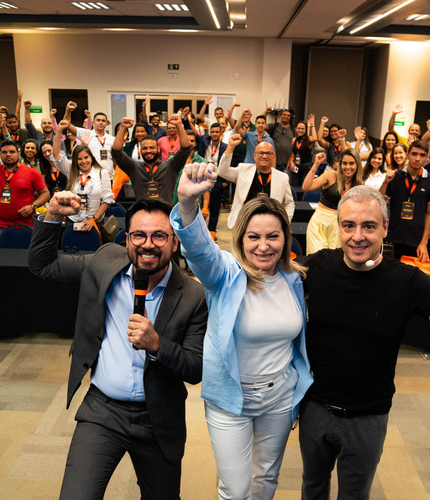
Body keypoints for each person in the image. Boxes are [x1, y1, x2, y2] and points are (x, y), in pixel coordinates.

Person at [299, 185, 430, 499]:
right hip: (314, 409)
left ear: (385, 227)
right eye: (349, 225)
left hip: (368, 416)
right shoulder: (315, 267)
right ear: (338, 227)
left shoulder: (408, 281)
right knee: (312, 489)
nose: (357, 236)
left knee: (354, 495)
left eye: (369, 226)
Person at [28, 196, 207, 499]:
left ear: (175, 243)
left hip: (158, 417)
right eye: (139, 235)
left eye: (159, 236)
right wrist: (53, 215)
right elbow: (42, 266)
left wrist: (157, 345)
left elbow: (195, 368)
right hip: (103, 410)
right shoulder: (104, 262)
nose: (147, 244)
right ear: (127, 240)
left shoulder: (193, 295)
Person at [173, 161, 312, 499]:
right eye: (254, 237)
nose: (264, 246)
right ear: (241, 238)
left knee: (265, 481)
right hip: (231, 399)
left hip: (279, 397)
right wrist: (188, 205)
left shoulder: (294, 280)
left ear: (285, 238)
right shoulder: (225, 274)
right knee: (236, 490)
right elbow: (201, 253)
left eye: (273, 236)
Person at [217, 134, 295, 229]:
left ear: (273, 156)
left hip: (270, 225)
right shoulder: (243, 170)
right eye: (261, 153)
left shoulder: (282, 177)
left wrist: (284, 221)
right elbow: (222, 172)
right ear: (255, 156)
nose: (264, 156)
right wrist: (230, 147)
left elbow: (289, 203)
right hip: (244, 223)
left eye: (268, 153)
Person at [111, 116, 193, 204]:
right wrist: (123, 127)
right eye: (145, 148)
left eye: (152, 148)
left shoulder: (170, 166)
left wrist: (179, 125)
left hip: (165, 212)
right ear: (141, 150)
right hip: (142, 212)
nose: (148, 151)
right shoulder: (134, 168)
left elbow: (185, 149)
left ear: (158, 149)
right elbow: (116, 152)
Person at [379, 139, 430, 260]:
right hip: (393, 237)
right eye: (414, 154)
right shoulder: (395, 176)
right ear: (407, 155)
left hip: (416, 240)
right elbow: (380, 201)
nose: (417, 158)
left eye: (422, 155)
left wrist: (424, 242)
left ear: (426, 158)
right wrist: (385, 182)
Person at [303, 150, 366, 253]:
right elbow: (306, 186)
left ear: (357, 165)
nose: (348, 167)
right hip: (320, 224)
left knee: (335, 259)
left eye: (351, 163)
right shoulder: (331, 175)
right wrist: (316, 164)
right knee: (317, 257)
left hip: (341, 225)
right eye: (344, 163)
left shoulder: (359, 185)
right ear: (340, 164)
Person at [63, 145, 114, 229]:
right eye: (79, 159)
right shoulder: (72, 173)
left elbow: (107, 200)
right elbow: (57, 156)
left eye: (86, 157)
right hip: (72, 221)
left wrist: (94, 219)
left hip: (95, 222)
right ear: (75, 161)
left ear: (91, 158)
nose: (83, 161)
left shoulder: (102, 173)